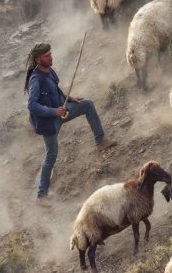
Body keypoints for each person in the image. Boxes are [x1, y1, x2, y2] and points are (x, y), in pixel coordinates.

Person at [25, 42, 117, 207]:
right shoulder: (35, 79)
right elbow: (32, 105)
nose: (50, 57)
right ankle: (41, 195)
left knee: (87, 104)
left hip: (62, 110)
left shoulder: (49, 71)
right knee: (51, 155)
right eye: (46, 56)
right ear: (38, 59)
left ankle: (100, 141)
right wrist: (54, 112)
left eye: (50, 54)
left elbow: (56, 91)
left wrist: (69, 98)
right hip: (49, 122)